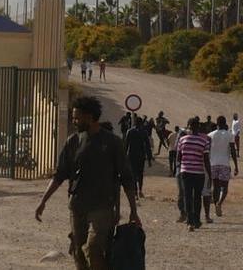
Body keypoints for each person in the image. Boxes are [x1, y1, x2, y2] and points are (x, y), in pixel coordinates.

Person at [35, 96, 139, 270]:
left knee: (94, 248)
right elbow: (59, 175)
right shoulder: (73, 142)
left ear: (89, 117)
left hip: (103, 207)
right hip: (77, 206)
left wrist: (133, 211)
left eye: (77, 117)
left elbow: (127, 178)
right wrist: (43, 201)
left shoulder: (112, 143)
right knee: (78, 251)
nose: (74, 121)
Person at [175, 116, 212, 231]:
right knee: (197, 197)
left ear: (188, 127)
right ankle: (196, 220)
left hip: (185, 172)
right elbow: (206, 159)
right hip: (198, 173)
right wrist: (210, 175)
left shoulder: (182, 140)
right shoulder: (203, 140)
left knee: (187, 196)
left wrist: (185, 163)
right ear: (198, 127)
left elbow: (178, 158)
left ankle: (189, 222)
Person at [207, 115, 238, 217]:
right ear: (225, 124)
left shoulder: (210, 135)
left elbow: (207, 151)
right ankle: (219, 204)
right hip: (224, 164)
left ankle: (216, 206)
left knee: (215, 187)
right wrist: (236, 166)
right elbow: (233, 151)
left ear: (217, 123)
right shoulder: (229, 135)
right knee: (224, 188)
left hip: (213, 164)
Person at [125, 116, 154, 199]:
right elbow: (148, 146)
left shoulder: (129, 131)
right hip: (141, 156)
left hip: (131, 156)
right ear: (141, 123)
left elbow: (126, 145)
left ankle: (135, 191)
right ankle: (140, 190)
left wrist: (124, 157)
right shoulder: (144, 132)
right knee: (140, 174)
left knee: (133, 174)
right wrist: (149, 159)